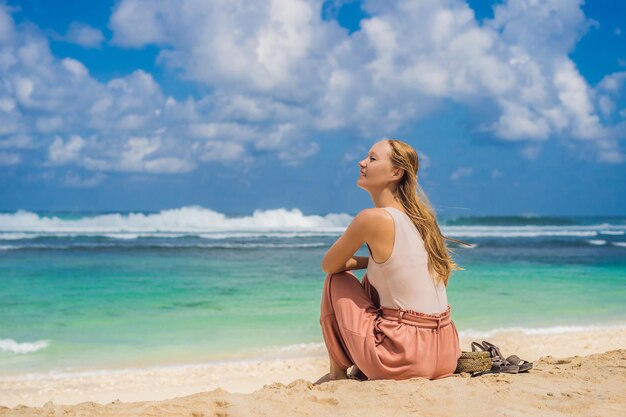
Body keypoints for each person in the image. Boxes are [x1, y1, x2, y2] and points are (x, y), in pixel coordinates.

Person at [315, 138, 470, 385]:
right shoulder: (422, 221)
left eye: (372, 159)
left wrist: (363, 263)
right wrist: (376, 262)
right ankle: (358, 367)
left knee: (337, 279)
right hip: (445, 354)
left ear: (396, 172)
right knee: (372, 281)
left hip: (401, 358)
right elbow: (401, 265)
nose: (361, 162)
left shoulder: (372, 218)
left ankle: (337, 373)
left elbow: (329, 265)